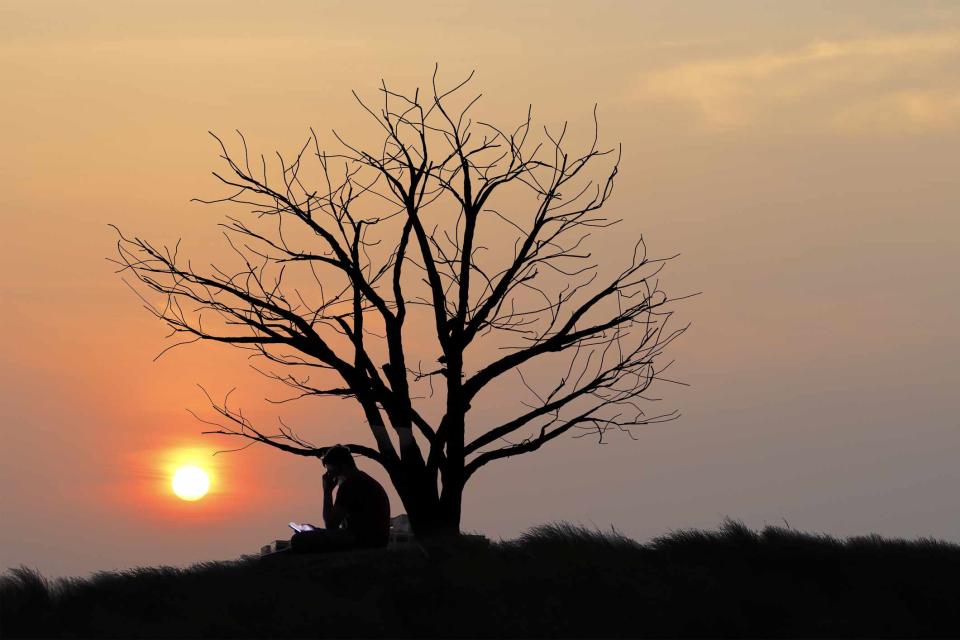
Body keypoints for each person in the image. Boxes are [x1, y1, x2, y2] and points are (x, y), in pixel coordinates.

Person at [288, 444, 391, 554]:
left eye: (330, 471)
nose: (330, 476)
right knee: (310, 533)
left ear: (341, 466)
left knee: (298, 539)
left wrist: (327, 491)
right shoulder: (364, 480)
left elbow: (331, 525)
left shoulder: (350, 485)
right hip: (376, 541)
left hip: (363, 541)